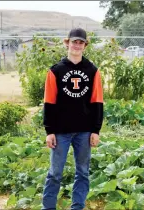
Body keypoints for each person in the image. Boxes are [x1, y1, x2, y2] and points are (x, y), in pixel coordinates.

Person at [41, 27, 104, 210]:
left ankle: (77, 206)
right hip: (60, 131)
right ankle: (48, 207)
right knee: (55, 173)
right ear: (67, 43)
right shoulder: (56, 71)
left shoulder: (92, 71)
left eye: (81, 42)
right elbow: (49, 102)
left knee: (83, 172)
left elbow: (97, 101)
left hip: (84, 131)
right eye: (74, 41)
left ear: (85, 45)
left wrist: (96, 130)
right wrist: (49, 131)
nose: (77, 45)